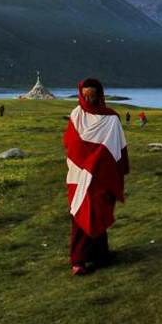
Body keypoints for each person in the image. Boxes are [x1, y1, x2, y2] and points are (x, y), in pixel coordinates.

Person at [62, 78, 129, 276]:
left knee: (98, 211)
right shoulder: (77, 115)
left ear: (100, 95)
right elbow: (71, 143)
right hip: (79, 174)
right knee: (80, 213)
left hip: (102, 176)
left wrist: (98, 162)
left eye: (92, 95)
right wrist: (90, 162)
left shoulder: (111, 119)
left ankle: (100, 255)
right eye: (85, 95)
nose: (88, 99)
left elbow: (117, 148)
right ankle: (79, 260)